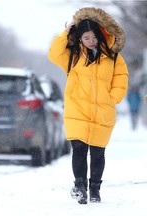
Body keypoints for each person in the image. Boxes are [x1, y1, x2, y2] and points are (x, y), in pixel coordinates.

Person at [48, 7, 129, 204]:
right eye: (86, 38)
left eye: (93, 37)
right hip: (77, 111)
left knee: (98, 152)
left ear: (99, 36)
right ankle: (80, 186)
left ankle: (95, 189)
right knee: (78, 149)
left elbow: (121, 78)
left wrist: (112, 98)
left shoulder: (113, 57)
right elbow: (53, 53)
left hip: (103, 111)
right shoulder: (73, 56)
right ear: (80, 39)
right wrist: (66, 31)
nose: (91, 41)